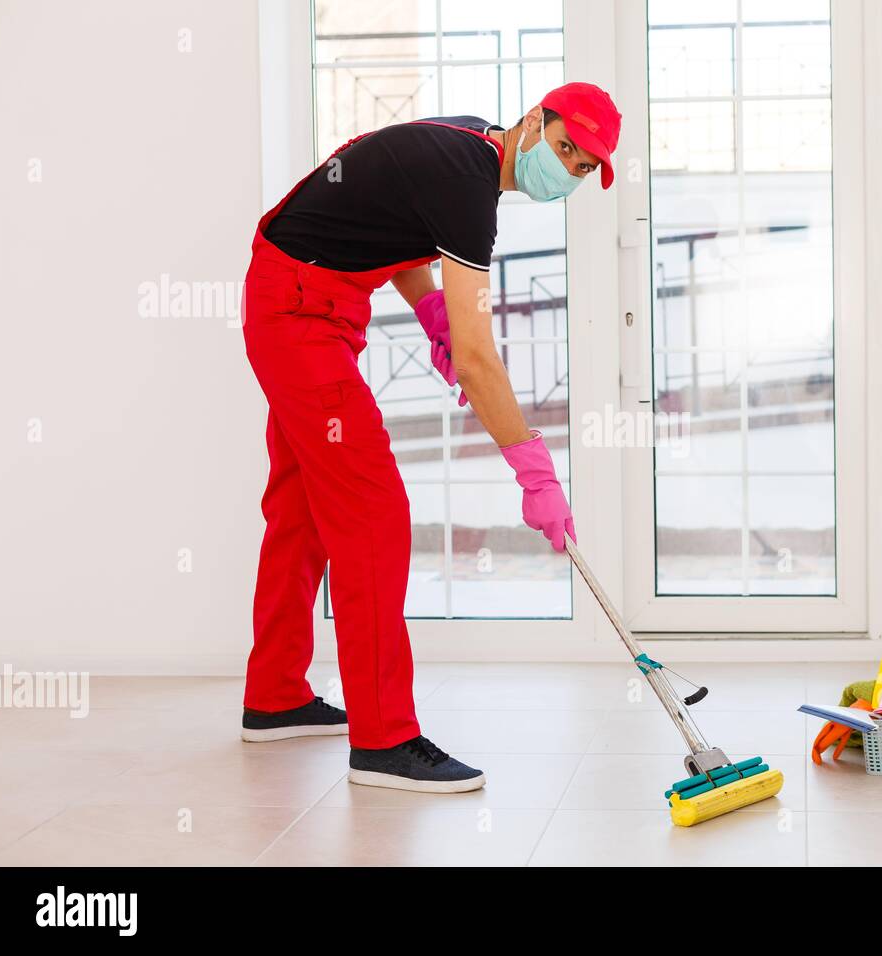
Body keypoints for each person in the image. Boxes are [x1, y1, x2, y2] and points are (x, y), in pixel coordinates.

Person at [237, 83, 621, 793]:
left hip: (300, 300)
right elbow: (479, 358)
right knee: (373, 512)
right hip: (298, 316)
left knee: (300, 508)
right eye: (565, 147)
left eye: (580, 168)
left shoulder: (467, 148)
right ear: (534, 120)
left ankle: (275, 696)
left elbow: (390, 226)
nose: (564, 169)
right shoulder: (468, 186)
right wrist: (533, 468)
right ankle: (385, 739)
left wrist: (434, 313)